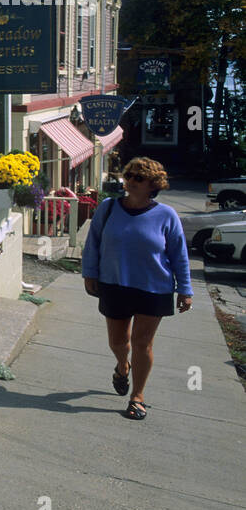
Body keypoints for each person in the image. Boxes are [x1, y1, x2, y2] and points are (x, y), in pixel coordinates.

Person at [82, 157, 192, 421]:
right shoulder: (108, 208)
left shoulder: (167, 215)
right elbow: (93, 243)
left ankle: (138, 397)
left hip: (154, 289)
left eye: (138, 178)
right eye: (129, 175)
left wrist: (185, 289)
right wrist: (89, 273)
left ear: (153, 184)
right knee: (118, 343)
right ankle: (123, 366)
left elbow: (179, 254)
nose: (130, 181)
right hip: (115, 284)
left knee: (143, 343)